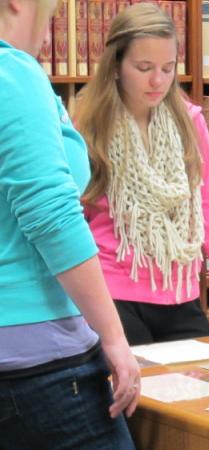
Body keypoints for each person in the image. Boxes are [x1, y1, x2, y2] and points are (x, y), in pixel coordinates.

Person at [74, 3, 209, 345]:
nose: (157, 80)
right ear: (115, 66)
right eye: (143, 67)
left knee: (208, 388)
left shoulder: (189, 122)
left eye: (167, 68)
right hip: (112, 297)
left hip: (179, 294)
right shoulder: (86, 127)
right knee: (142, 394)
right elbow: (70, 223)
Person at [0, 0, 140, 447]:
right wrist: (113, 337)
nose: (48, 37)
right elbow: (51, 215)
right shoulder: (13, 75)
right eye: (52, 16)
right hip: (40, 366)